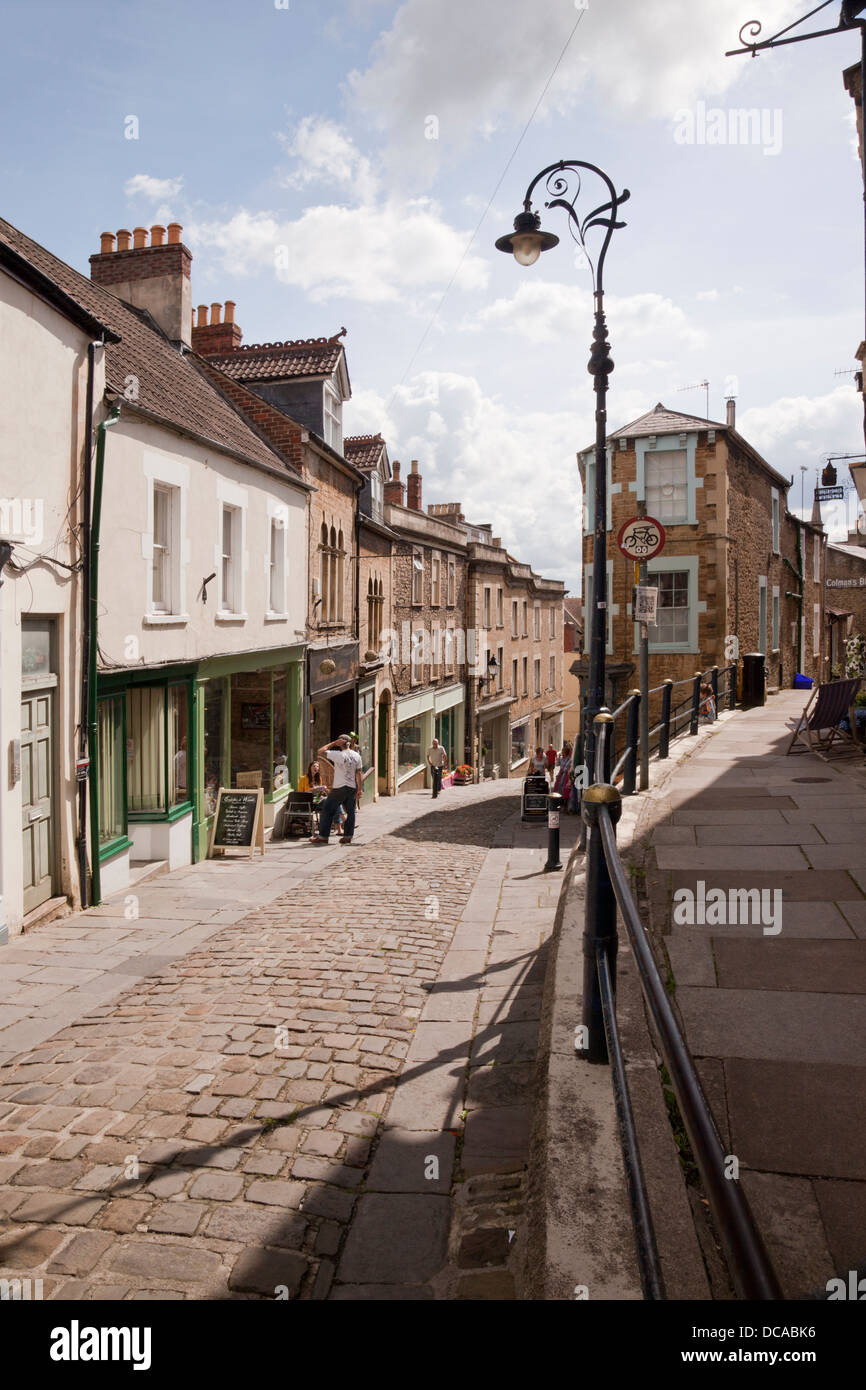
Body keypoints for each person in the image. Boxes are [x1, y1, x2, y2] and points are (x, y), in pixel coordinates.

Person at [310, 734, 362, 845]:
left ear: (340, 743)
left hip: (339, 787)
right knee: (351, 812)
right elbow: (359, 773)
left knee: (327, 810)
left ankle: (323, 837)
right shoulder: (356, 756)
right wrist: (359, 789)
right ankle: (348, 836)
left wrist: (333, 743)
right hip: (352, 787)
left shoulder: (338, 754)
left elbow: (320, 751)